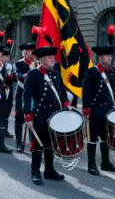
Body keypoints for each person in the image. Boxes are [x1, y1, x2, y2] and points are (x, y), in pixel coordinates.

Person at [22, 28, 75, 185]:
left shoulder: (55, 73)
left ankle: (50, 170)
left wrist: (67, 104)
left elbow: (62, 92)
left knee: (51, 143)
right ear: (42, 59)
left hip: (55, 114)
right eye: (50, 57)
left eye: (53, 57)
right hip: (39, 115)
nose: (53, 60)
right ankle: (35, 171)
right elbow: (26, 97)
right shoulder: (33, 74)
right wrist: (28, 118)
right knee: (39, 144)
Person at [82, 25, 115, 175]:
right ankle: (92, 164)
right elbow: (86, 93)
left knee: (106, 138)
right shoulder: (92, 72)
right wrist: (86, 111)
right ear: (100, 57)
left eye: (111, 56)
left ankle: (105, 163)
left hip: (109, 110)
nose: (110, 58)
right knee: (92, 138)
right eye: (107, 56)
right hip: (95, 110)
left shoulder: (113, 72)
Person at [14, 26, 38, 152]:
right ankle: (19, 142)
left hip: (34, 96)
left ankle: (32, 143)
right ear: (25, 53)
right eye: (30, 51)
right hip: (21, 94)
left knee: (32, 119)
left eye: (34, 51)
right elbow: (18, 75)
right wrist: (29, 74)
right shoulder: (20, 63)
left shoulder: (38, 64)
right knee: (19, 118)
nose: (33, 53)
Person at [1, 39, 15, 138]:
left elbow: (11, 81)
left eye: (8, 56)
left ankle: (5, 130)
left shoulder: (10, 66)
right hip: (0, 91)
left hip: (8, 91)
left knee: (7, 109)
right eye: (5, 56)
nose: (7, 58)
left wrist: (10, 73)